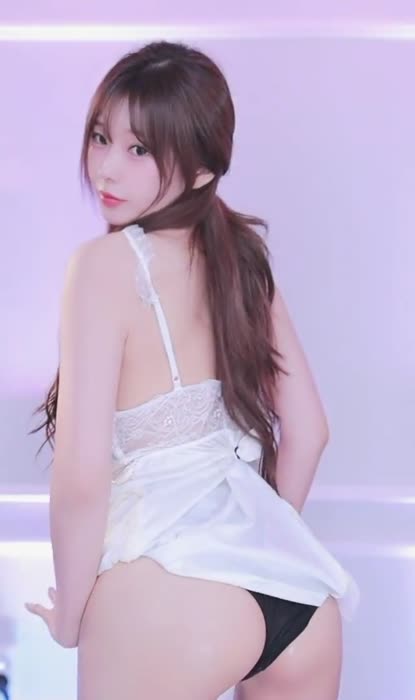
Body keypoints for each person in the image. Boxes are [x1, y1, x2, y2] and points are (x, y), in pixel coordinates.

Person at [25, 40, 359, 700]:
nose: (106, 168)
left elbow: (83, 477)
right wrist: (260, 543)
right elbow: (310, 430)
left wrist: (70, 614)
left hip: (168, 592)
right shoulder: (243, 258)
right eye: (101, 138)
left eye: (139, 149)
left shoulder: (102, 267)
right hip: (299, 598)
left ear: (204, 170)